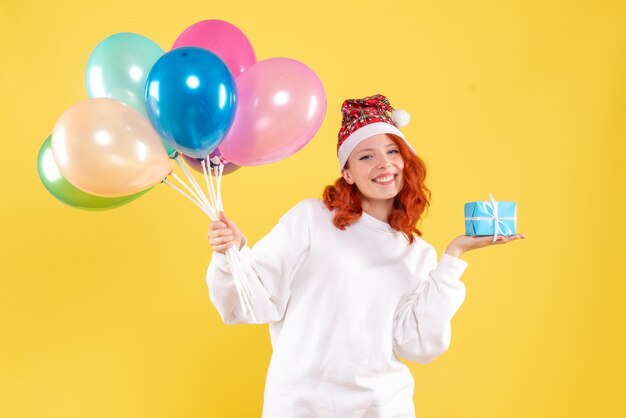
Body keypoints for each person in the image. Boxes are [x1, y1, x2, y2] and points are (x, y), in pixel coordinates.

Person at [206, 94, 525, 418]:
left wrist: (454, 256)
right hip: (301, 406)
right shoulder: (311, 219)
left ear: (405, 161)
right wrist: (232, 252)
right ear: (347, 173)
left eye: (392, 152)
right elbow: (255, 301)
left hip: (382, 407)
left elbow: (418, 345)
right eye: (366, 156)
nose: (384, 164)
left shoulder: (418, 254)